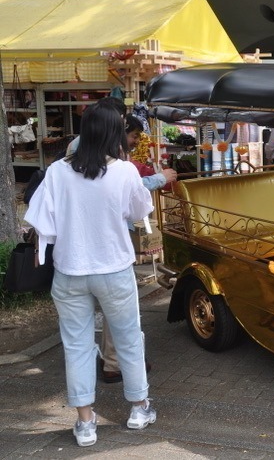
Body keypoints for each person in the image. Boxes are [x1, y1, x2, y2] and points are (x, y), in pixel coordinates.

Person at [25, 100, 157, 447]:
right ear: (115, 134)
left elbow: (42, 221)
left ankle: (85, 423)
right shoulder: (125, 171)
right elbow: (140, 209)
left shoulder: (57, 171)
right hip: (113, 269)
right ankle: (139, 407)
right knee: (128, 338)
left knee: (77, 346)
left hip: (69, 271)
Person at [96, 115, 177, 384]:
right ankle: (123, 371)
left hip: (77, 261)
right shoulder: (119, 167)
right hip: (110, 253)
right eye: (132, 136)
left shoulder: (68, 166)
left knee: (86, 323)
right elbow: (138, 206)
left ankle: (108, 363)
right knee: (121, 310)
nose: (134, 141)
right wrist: (158, 179)